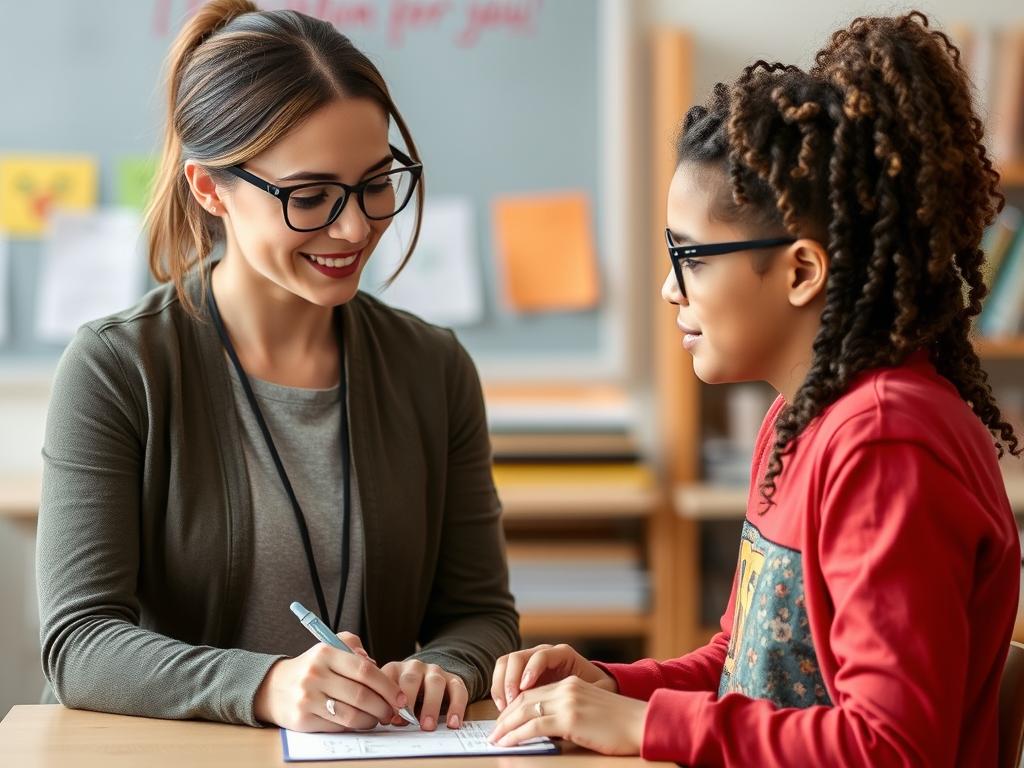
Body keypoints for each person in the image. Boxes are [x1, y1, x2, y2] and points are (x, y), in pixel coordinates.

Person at [488, 12, 1021, 765]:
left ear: (801, 270)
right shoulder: (797, 419)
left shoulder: (886, 443)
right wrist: (613, 686)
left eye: (692, 258)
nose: (670, 289)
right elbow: (748, 669)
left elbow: (894, 746)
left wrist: (646, 726)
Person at [36, 0, 518, 734]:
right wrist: (266, 686)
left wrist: (447, 666)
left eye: (376, 183)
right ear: (210, 189)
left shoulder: (433, 367)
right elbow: (79, 643)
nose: (354, 227)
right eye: (310, 196)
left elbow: (481, 613)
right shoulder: (116, 369)